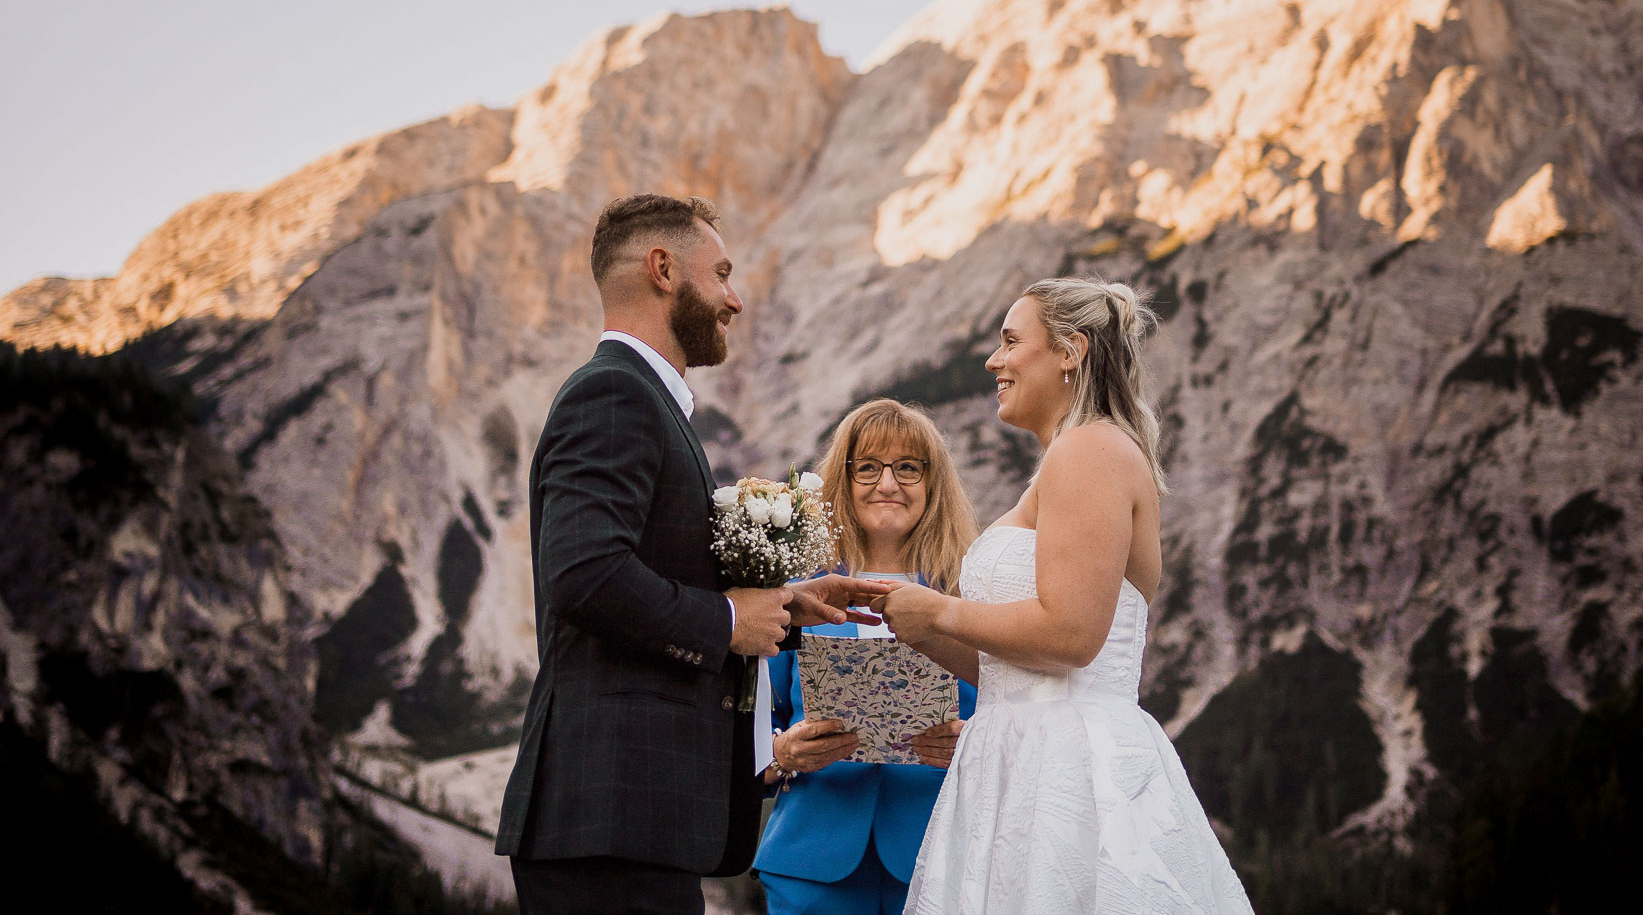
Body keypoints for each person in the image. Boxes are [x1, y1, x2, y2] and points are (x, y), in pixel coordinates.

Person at [496, 194, 892, 915]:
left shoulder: (644, 399)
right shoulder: (614, 394)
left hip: (632, 820)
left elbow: (642, 567)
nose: (734, 299)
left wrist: (784, 608)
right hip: (608, 812)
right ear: (662, 269)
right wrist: (724, 622)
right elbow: (582, 574)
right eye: (722, 274)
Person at [876, 278, 1256, 914]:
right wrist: (925, 630)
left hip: (1070, 771)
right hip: (1020, 755)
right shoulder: (1065, 459)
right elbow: (1018, 666)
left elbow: (1074, 637)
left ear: (1071, 351)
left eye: (1011, 342)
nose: (994, 361)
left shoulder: (1091, 450)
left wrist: (941, 608)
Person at [754, 400, 981, 915]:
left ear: (932, 483)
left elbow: (1015, 714)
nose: (888, 484)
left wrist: (976, 743)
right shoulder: (795, 595)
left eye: (907, 467)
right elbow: (744, 730)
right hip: (812, 861)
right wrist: (782, 754)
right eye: (869, 467)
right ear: (843, 480)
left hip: (942, 857)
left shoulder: (972, 594)